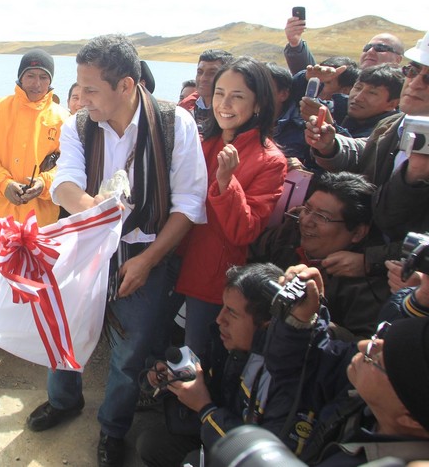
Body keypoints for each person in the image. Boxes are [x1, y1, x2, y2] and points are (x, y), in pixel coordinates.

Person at [26, 34, 208, 467]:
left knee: (130, 351)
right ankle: (64, 400)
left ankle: (112, 428)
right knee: (66, 332)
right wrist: (100, 217)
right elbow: (64, 184)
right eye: (79, 86)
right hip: (87, 247)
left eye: (91, 89)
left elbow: (188, 204)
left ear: (126, 86)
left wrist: (147, 260)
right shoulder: (79, 125)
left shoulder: (174, 124)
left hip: (149, 250)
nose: (81, 97)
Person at [136, 263, 304, 467]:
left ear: (265, 324)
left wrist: (205, 408)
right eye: (222, 306)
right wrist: (181, 376)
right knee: (152, 444)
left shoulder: (285, 379)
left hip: (242, 453)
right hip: (218, 427)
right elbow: (208, 377)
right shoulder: (227, 343)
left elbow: (258, 455)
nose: (219, 319)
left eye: (232, 313)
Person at [175, 57, 287, 358]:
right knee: (157, 339)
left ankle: (190, 405)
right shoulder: (201, 141)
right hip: (171, 256)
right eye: (220, 93)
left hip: (210, 271)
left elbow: (244, 231)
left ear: (259, 104)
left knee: (195, 353)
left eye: (237, 97)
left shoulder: (270, 160)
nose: (225, 103)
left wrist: (227, 183)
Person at [266, 265, 429, 466]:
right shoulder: (372, 397)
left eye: (375, 358)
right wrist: (302, 320)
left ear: (409, 417)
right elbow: (306, 373)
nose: (363, 345)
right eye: (379, 339)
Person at [306, 30, 429, 277]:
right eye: (413, 71)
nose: (415, 83)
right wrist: (331, 146)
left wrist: (370, 261)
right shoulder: (392, 124)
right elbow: (366, 153)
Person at [249, 172, 389, 340]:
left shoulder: (366, 286)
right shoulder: (289, 233)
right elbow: (250, 256)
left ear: (358, 233)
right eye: (307, 209)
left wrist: (308, 320)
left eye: (322, 216)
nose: (307, 221)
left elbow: (361, 348)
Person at [0, 50, 69, 226]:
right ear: (20, 77)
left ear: (51, 80)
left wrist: (44, 184)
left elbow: (68, 165)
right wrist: (3, 184)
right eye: (30, 76)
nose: (37, 83)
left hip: (41, 222)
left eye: (44, 77)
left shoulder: (64, 119)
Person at [284, 12, 404, 74]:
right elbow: (312, 75)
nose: (371, 51)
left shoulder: (402, 93)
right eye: (367, 47)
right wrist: (295, 43)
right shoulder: (347, 78)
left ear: (398, 59)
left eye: (380, 48)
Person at [178, 49, 233, 128]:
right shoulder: (184, 108)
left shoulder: (232, 113)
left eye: (212, 73)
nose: (203, 78)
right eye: (200, 72)